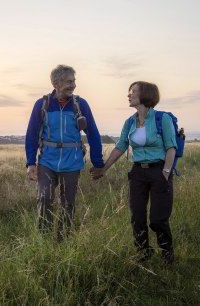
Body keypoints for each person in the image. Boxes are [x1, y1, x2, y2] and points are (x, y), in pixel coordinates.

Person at [90, 81, 177, 264]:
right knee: (137, 217)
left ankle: (167, 254)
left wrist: (166, 173)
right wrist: (103, 169)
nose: (129, 95)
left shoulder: (162, 119)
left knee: (157, 219)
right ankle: (143, 254)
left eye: (133, 92)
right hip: (138, 173)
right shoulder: (129, 122)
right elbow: (121, 147)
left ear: (145, 94)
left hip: (159, 171)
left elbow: (171, 147)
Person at [25, 64, 104, 241]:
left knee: (67, 203)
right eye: (69, 81)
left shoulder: (80, 104)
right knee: (44, 198)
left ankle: (63, 240)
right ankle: (44, 240)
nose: (73, 85)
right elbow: (31, 134)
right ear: (56, 83)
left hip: (72, 162)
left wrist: (98, 163)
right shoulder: (42, 104)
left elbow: (93, 133)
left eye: (74, 81)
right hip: (47, 162)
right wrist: (31, 162)